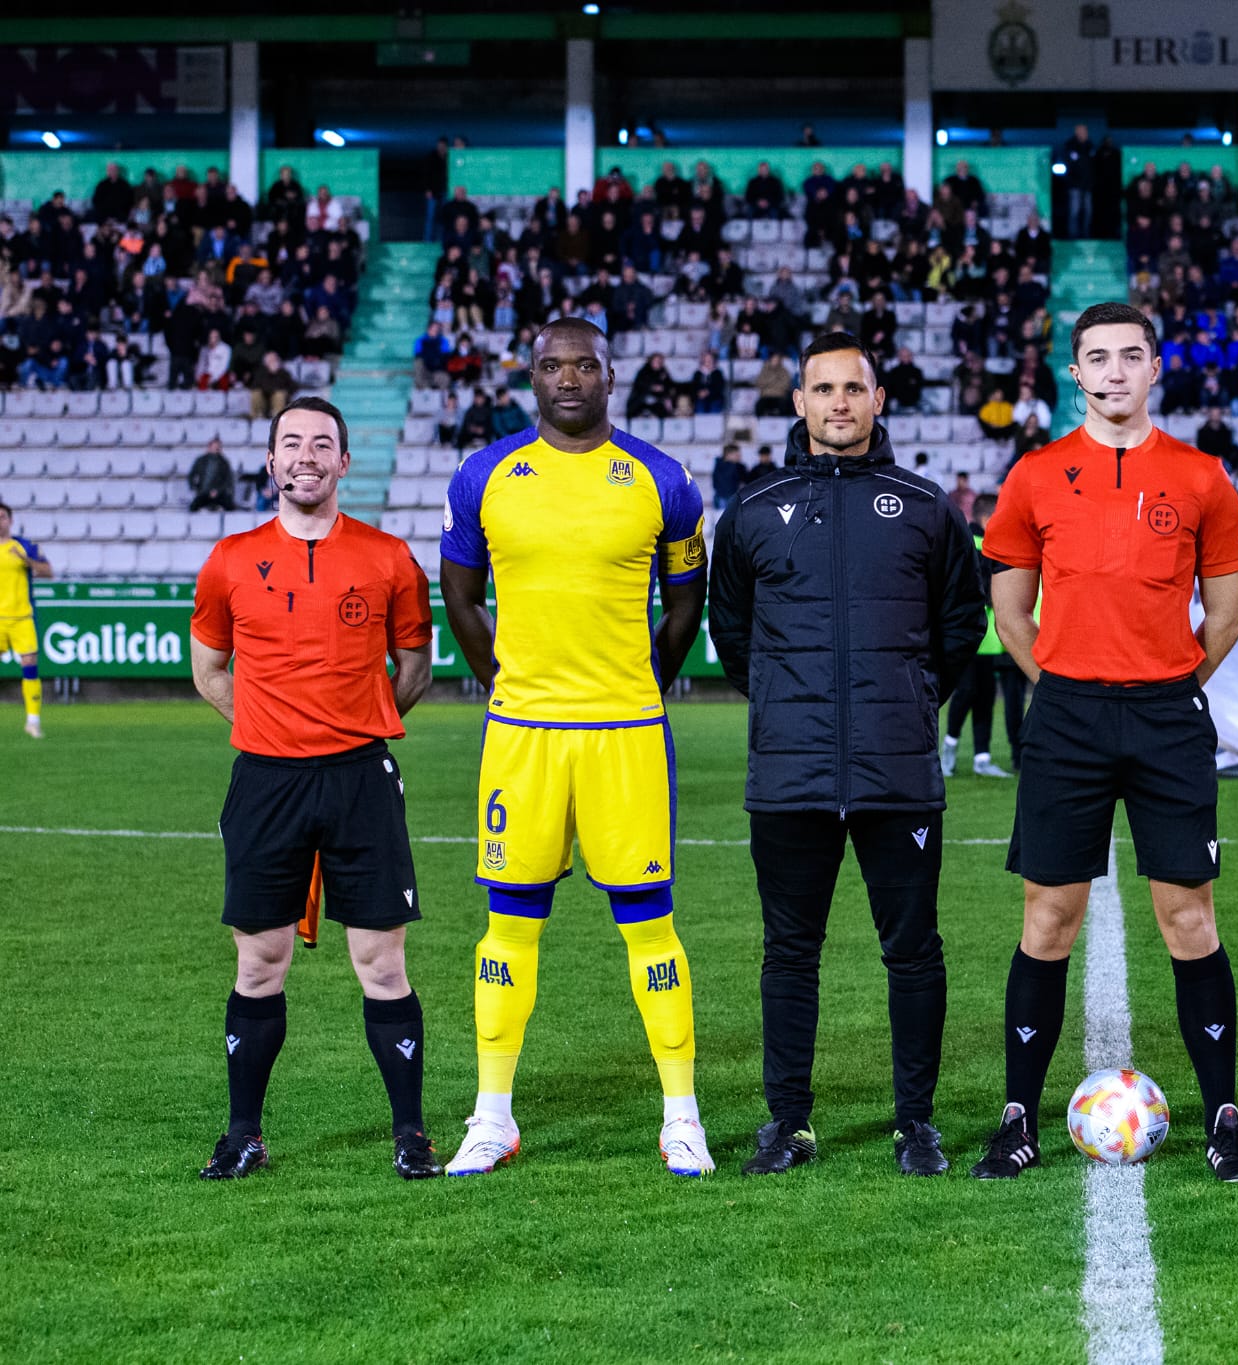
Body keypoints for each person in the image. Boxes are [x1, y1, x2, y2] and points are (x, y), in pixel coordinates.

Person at [974, 301, 1238, 1182]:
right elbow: (1011, 611)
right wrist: (1060, 685)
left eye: (1129, 357)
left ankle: (1224, 1117)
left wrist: (1167, 684)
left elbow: (1226, 616)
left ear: (1154, 367)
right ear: (1074, 372)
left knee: (1189, 917)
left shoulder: (1204, 476)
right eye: (1095, 358)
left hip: (1169, 716)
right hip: (1066, 720)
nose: (1112, 373)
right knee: (1048, 918)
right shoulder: (1034, 475)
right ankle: (1018, 1116)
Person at [438, 318, 715, 1179]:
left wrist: (641, 684)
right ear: (530, 377)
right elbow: (460, 590)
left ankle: (682, 1117)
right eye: (552, 365)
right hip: (520, 736)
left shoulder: (661, 479)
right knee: (507, 927)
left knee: (650, 925)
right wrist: (500, 680)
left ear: (609, 373)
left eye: (585, 364)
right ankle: (492, 1116)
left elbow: (685, 605)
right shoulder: (484, 475)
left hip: (626, 734)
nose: (569, 378)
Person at [707, 332, 982, 1177]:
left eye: (851, 388)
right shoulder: (754, 508)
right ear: (798, 403)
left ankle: (916, 1124)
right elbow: (734, 634)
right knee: (789, 952)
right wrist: (795, 708)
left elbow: (961, 626)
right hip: (789, 773)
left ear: (878, 399)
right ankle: (787, 1122)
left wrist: (902, 700)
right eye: (820, 389)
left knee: (914, 950)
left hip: (897, 771)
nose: (836, 403)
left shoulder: (926, 505)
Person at [187, 398, 440, 1180]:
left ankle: (410, 1132)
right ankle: (243, 1134)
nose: (306, 455)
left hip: (362, 777)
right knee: (259, 963)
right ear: (270, 461)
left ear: (343, 462)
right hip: (265, 783)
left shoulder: (389, 557)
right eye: (291, 442)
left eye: (321, 444)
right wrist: (276, 727)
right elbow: (209, 671)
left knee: (382, 963)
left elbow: (415, 669)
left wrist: (352, 725)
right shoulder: (229, 559)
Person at [942, 491, 1023, 781]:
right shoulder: (973, 545)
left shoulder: (987, 545)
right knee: (966, 694)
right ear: (988, 518)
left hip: (988, 640)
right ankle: (949, 749)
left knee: (985, 697)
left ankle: (981, 757)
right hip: (973, 639)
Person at [0, 502, 53, 739]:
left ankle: (33, 721)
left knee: (30, 665)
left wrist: (27, 562)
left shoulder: (25, 546)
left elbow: (48, 572)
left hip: (22, 617)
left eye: (2, 517)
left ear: (10, 521)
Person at [189, 437, 239, 513]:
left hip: (219, 494)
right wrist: (195, 488)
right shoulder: (200, 461)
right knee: (192, 508)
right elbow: (191, 475)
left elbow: (227, 480)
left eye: (218, 447)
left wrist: (218, 491)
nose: (217, 448)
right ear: (209, 447)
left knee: (231, 508)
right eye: (215, 446)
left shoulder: (224, 462)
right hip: (203, 493)